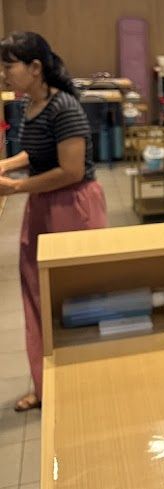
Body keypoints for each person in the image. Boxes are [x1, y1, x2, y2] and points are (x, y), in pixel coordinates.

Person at [0, 32, 108, 411]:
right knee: (36, 294)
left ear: (34, 68)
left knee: (74, 294)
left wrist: (14, 187)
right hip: (43, 202)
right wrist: (9, 165)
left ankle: (85, 380)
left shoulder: (65, 107)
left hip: (72, 203)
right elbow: (41, 149)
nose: (3, 75)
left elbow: (72, 170)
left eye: (8, 66)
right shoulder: (32, 104)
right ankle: (46, 386)